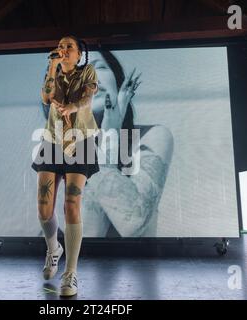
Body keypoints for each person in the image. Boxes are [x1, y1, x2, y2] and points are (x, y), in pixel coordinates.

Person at [31, 35, 100, 297]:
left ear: (80, 54)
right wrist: (51, 67)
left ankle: (70, 274)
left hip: (80, 139)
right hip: (52, 139)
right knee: (43, 207)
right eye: (60, 46)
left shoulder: (88, 71)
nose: (63, 49)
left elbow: (87, 99)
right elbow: (47, 98)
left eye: (69, 46)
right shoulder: (54, 72)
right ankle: (53, 249)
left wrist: (72, 107)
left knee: (71, 204)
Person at [81, 50, 174, 237]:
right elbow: (91, 233)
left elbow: (132, 223)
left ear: (116, 78)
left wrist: (110, 135)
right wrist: (109, 139)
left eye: (99, 67)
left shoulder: (152, 136)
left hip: (138, 264)